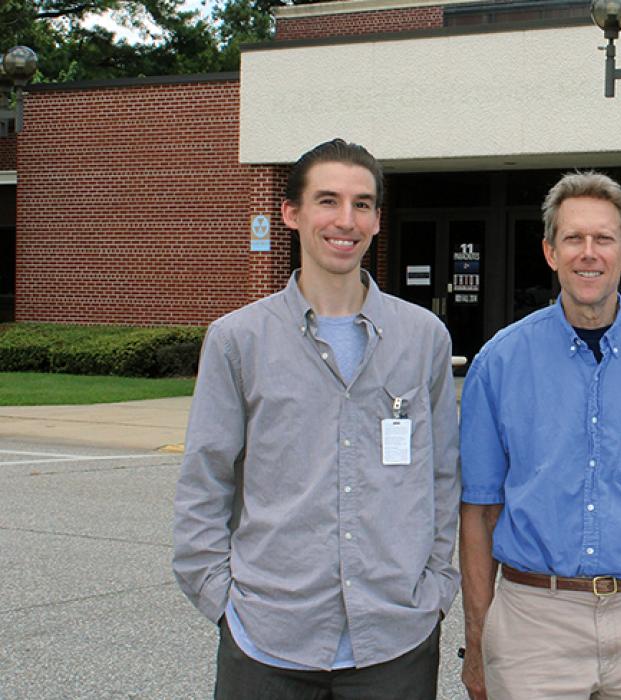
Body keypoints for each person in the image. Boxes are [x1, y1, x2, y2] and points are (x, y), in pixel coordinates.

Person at [173, 138, 460, 700]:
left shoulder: (422, 338)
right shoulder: (238, 340)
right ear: (292, 213)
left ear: (378, 219)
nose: (344, 220)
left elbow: (442, 476)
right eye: (327, 201)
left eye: (361, 204)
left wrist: (435, 588)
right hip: (267, 638)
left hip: (395, 640)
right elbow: (205, 478)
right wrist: (220, 600)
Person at [459, 170, 621, 699]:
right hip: (533, 624)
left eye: (603, 239)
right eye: (573, 238)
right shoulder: (498, 362)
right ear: (550, 252)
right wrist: (477, 637)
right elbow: (479, 511)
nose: (588, 253)